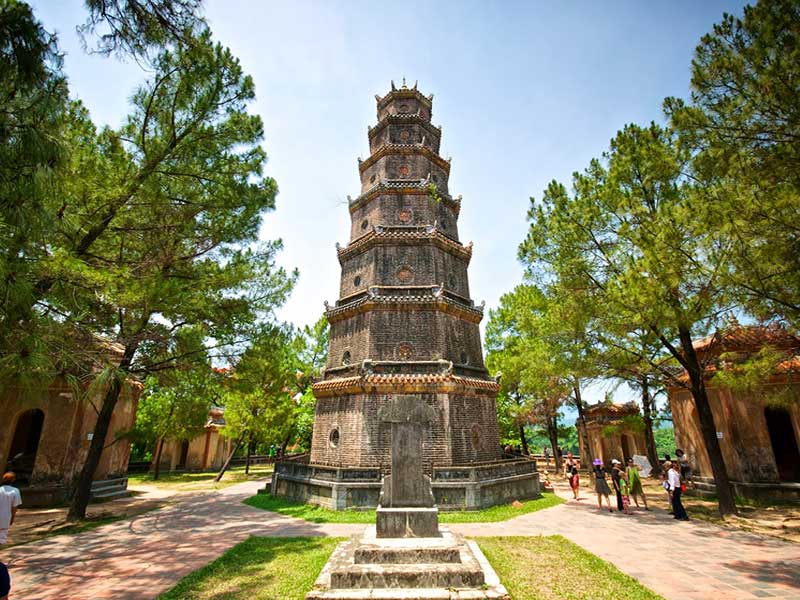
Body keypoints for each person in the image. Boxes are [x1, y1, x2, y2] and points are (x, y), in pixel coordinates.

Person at [0, 473, 21, 546]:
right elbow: (14, 507)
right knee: (2, 537)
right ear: (13, 480)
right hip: (6, 517)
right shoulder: (15, 491)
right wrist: (12, 517)